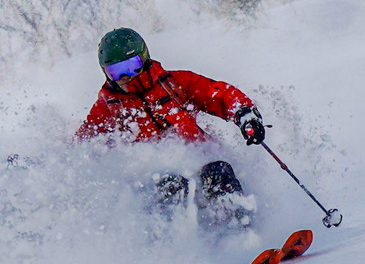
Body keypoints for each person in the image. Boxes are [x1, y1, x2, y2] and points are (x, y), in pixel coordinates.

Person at [74, 27, 266, 228]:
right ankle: (176, 248)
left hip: (201, 157)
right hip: (156, 175)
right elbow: (87, 139)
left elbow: (218, 94)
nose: (125, 76)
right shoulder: (109, 105)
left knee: (218, 172)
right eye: (115, 71)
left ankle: (240, 232)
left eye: (131, 66)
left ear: (144, 58)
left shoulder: (174, 83)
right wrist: (68, 160)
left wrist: (244, 114)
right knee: (170, 183)